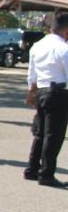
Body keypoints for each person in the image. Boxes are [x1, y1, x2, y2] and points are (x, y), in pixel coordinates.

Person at [24, 12, 68, 187]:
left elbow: (31, 74)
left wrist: (31, 92)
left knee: (40, 133)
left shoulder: (38, 45)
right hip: (58, 93)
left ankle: (32, 169)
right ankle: (46, 174)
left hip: (41, 91)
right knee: (54, 135)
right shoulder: (63, 48)